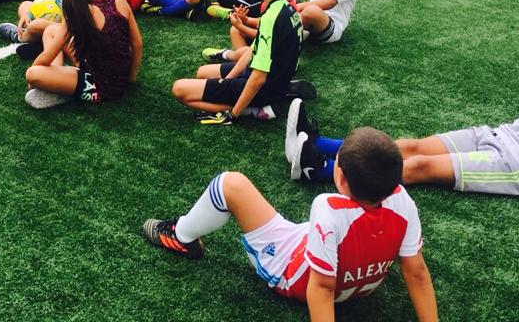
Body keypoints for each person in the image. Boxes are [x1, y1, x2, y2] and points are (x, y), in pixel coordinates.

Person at [287, 7, 519, 249]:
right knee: (410, 145)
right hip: (501, 134)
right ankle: (317, 145)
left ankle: (314, 171)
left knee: (417, 168)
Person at [142, 127, 439, 322]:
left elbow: (321, 289)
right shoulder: (402, 200)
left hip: (292, 272)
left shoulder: (328, 208)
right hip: (361, 283)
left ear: (341, 178)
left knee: (230, 185)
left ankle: (180, 236)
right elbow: (416, 272)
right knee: (321, 232)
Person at [171, 0, 302, 123]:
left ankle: (250, 110)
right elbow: (252, 51)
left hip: (262, 87)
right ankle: (254, 100)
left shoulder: (272, 18)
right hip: (273, 80)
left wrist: (233, 115)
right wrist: (227, 81)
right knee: (202, 72)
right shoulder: (284, 7)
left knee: (179, 89)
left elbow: (257, 78)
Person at [23, 0, 143, 110]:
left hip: (97, 87)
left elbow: (46, 57)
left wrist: (31, 80)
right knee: (51, 30)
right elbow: (137, 44)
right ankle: (58, 79)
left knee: (34, 73)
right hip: (118, 77)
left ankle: (60, 89)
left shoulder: (79, 10)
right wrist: (131, 79)